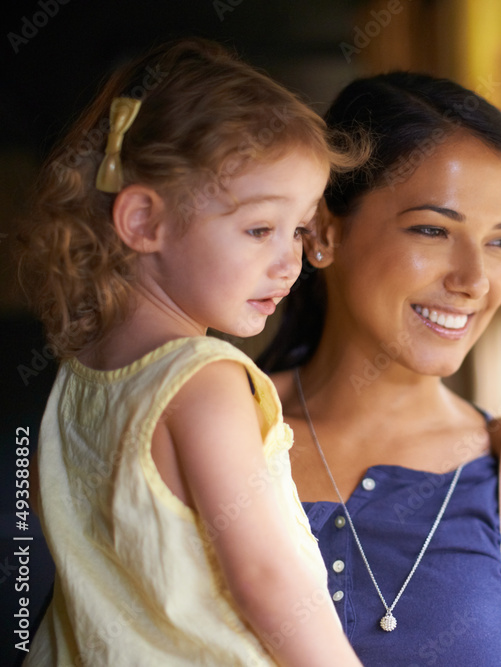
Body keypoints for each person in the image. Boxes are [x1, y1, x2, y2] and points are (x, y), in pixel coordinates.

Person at [260, 71, 501, 665]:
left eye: (500, 242)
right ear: (325, 231)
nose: (474, 281)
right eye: (434, 230)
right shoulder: (212, 431)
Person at [20, 38, 363, 666]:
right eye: (260, 228)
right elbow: (266, 580)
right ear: (145, 221)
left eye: (299, 229)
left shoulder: (77, 380)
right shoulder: (204, 380)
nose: (291, 261)